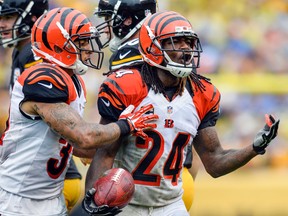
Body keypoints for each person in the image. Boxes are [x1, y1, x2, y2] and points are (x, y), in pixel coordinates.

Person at [82, 10, 279, 216]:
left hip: (170, 205)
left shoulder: (202, 94)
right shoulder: (128, 86)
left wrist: (255, 147)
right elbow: (105, 153)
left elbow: (214, 161)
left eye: (189, 42)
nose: (186, 49)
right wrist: (94, 201)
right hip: (124, 204)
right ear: (153, 46)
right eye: (176, 42)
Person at [0, 6, 158, 216]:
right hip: (16, 200)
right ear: (58, 46)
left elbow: (77, 146)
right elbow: (83, 137)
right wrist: (126, 124)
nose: (88, 47)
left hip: (51, 199)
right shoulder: (43, 76)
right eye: (80, 41)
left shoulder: (73, 80)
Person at [86, 0, 199, 211]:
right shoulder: (177, 49)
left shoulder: (132, 52)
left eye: (111, 18)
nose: (108, 25)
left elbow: (113, 135)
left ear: (128, 19)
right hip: (180, 177)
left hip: (141, 182)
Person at [0, 0, 81, 213]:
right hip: (51, 175)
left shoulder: (34, 57)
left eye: (8, 17)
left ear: (32, 17)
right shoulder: (22, 51)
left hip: (40, 181)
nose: (2, 24)